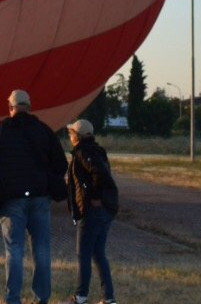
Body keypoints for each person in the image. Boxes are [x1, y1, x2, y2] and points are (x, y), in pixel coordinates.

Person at [0, 89, 67, 304]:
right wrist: (47, 181)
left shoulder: (1, 130)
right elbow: (61, 163)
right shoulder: (43, 130)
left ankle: (13, 299)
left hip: (11, 199)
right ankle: (42, 298)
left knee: (14, 250)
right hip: (39, 197)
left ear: (10, 108)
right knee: (42, 250)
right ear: (29, 107)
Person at [64, 119, 118, 304]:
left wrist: (94, 196)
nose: (69, 137)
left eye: (71, 134)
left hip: (93, 210)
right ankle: (108, 297)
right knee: (98, 253)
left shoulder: (83, 152)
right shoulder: (97, 150)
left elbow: (99, 174)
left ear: (77, 137)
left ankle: (80, 296)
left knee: (84, 253)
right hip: (107, 210)